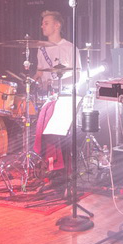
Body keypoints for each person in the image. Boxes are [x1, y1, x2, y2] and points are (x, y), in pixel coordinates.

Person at [33, 10, 81, 176]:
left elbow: (77, 76)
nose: (42, 26)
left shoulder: (70, 48)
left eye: (46, 23)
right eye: (42, 23)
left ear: (57, 25)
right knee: (44, 136)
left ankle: (62, 173)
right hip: (47, 98)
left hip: (64, 98)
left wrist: (56, 83)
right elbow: (40, 73)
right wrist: (33, 81)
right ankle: (49, 169)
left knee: (58, 137)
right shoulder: (41, 49)